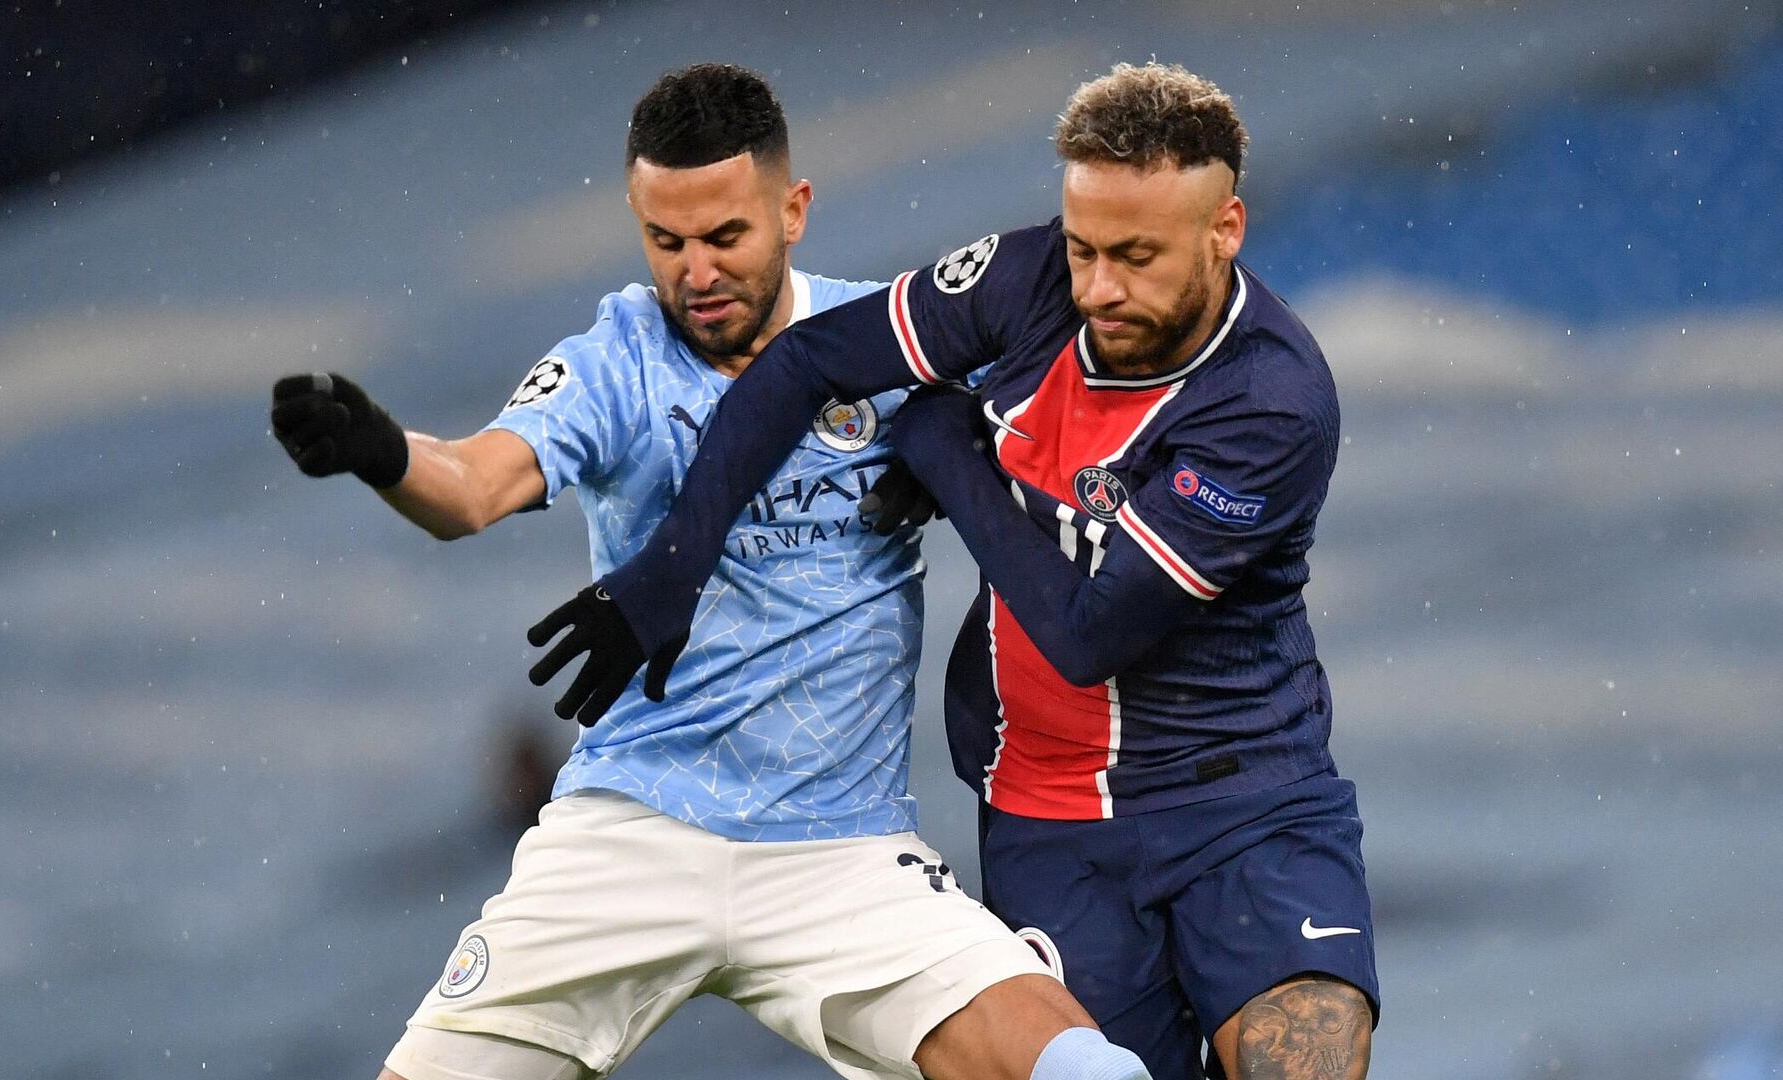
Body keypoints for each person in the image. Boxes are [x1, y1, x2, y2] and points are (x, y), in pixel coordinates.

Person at [269, 64, 1156, 1080]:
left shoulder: (888, 341)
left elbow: (1075, 443)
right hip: (630, 835)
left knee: (1087, 1072)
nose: (695, 271)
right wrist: (386, 453)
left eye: (725, 237)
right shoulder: (616, 362)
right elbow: (473, 486)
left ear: (794, 211)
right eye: (666, 241)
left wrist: (953, 443)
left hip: (843, 855)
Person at [529, 62, 1380, 1079]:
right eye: (1082, 248)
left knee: (1310, 1061)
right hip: (1047, 820)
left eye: (1138, 257)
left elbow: (1088, 633)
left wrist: (947, 451)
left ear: (1224, 229)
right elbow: (807, 362)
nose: (1098, 288)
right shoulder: (1024, 283)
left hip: (1243, 793)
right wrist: (674, 565)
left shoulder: (1270, 400)